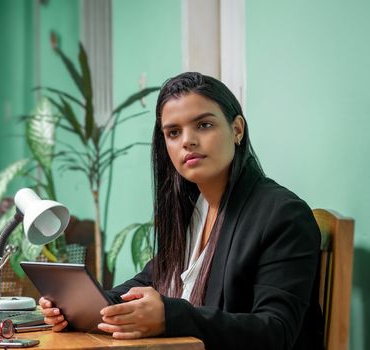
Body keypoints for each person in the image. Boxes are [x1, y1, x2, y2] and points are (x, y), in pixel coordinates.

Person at [39, 72, 323, 350]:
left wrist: (170, 316)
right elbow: (150, 280)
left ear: (237, 130)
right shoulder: (193, 209)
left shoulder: (283, 215)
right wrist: (83, 304)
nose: (187, 140)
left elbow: (276, 332)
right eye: (173, 132)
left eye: (204, 125)